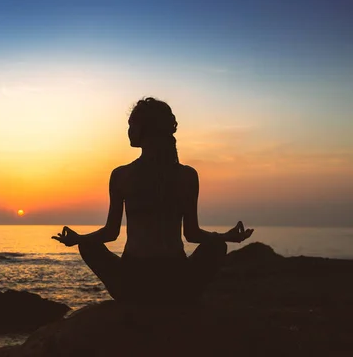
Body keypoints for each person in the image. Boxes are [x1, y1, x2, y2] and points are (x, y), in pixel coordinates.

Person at [52, 97, 253, 303]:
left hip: (133, 279)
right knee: (217, 246)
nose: (128, 131)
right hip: (176, 277)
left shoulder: (122, 175)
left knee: (88, 245)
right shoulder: (186, 175)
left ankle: (139, 299)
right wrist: (224, 237)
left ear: (146, 128)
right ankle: (179, 298)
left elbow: (110, 233)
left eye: (131, 125)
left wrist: (79, 239)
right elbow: (192, 234)